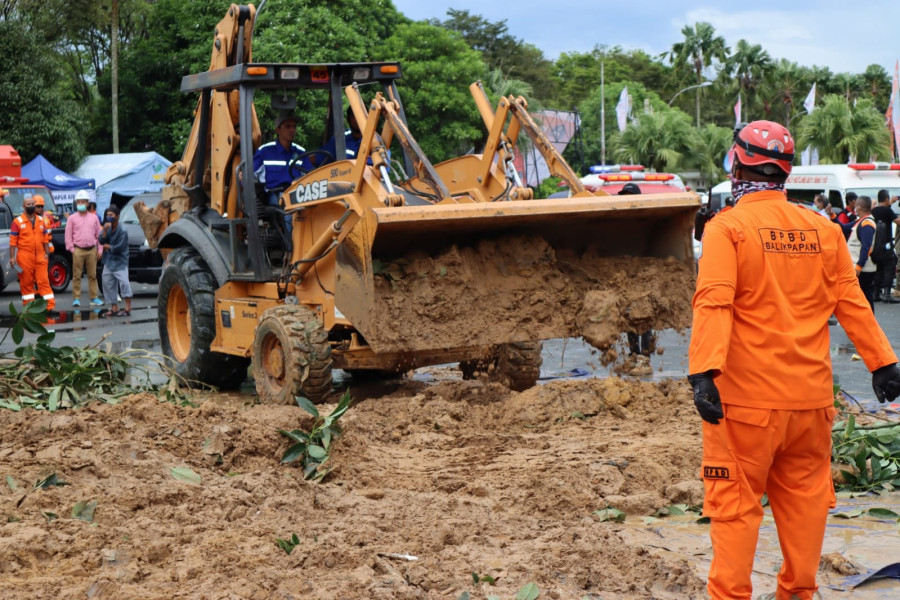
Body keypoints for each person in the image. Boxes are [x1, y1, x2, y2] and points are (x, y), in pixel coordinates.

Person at [688, 120, 900, 600]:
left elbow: (715, 302)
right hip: (810, 405)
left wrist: (702, 371)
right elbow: (850, 301)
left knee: (736, 510)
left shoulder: (728, 229)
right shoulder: (822, 229)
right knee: (806, 509)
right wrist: (882, 363)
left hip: (745, 406)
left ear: (736, 163)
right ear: (786, 173)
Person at [253, 110, 309, 239]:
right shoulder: (265, 151)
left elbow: (311, 174)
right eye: (287, 126)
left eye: (294, 126)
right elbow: (249, 176)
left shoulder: (300, 152)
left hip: (299, 194)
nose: (292, 130)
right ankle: (292, 250)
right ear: (278, 130)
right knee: (290, 213)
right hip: (276, 195)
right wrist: (241, 177)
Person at [9, 195, 55, 311]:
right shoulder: (17, 222)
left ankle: (50, 308)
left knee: (44, 282)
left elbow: (45, 238)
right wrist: (12, 258)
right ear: (24, 206)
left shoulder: (41, 220)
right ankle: (28, 311)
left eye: (32, 204)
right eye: (28, 204)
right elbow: (13, 241)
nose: (31, 206)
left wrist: (46, 253)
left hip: (40, 256)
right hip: (25, 258)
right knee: (27, 285)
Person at [65, 189, 104, 307]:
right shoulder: (72, 218)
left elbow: (99, 235)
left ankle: (94, 297)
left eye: (83, 202)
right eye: (79, 202)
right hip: (78, 249)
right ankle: (76, 298)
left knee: (93, 275)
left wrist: (100, 249)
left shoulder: (94, 218)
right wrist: (72, 249)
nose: (81, 204)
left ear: (88, 203)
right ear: (76, 203)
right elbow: (68, 236)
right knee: (76, 275)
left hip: (92, 249)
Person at [98, 205, 132, 316]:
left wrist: (108, 246)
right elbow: (101, 241)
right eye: (107, 215)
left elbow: (119, 248)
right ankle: (114, 307)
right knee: (107, 282)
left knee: (124, 283)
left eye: (111, 215)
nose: (109, 217)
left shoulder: (122, 230)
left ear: (117, 216)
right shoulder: (107, 227)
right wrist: (104, 230)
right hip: (108, 260)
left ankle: (127, 307)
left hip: (120, 261)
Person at [847, 195, 878, 311]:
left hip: (864, 269)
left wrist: (859, 267)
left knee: (865, 297)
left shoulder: (867, 223)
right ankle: (867, 323)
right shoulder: (860, 221)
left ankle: (870, 323)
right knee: (862, 297)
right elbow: (844, 228)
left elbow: (866, 247)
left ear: (858, 207)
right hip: (860, 267)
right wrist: (832, 215)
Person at [870, 189, 900, 303]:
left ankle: (876, 293)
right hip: (887, 245)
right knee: (889, 268)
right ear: (887, 199)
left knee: (878, 269)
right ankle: (887, 294)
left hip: (875, 246)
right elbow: (898, 222)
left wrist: (890, 204)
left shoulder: (874, 211)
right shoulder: (888, 211)